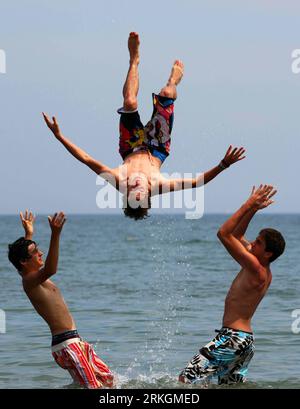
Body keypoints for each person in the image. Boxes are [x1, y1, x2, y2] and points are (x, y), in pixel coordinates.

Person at [42, 32, 245, 220]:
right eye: (141, 192)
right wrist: (223, 165)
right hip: (157, 147)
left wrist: (59, 136)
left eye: (132, 190)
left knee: (130, 103)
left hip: (131, 145)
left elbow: (85, 159)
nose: (137, 186)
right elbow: (197, 182)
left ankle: (134, 60)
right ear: (148, 195)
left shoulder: (118, 180)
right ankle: (173, 80)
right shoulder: (158, 186)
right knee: (166, 94)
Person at [179, 185, 285, 385]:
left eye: (259, 243)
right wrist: (253, 209)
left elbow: (224, 234)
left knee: (185, 379)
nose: (252, 242)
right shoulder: (261, 267)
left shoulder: (255, 267)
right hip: (244, 342)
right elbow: (236, 235)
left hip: (232, 338)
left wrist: (248, 204)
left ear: (268, 254)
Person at [8, 210, 114, 389]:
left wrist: (29, 233)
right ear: (25, 262)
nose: (40, 253)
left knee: (109, 382)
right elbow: (51, 269)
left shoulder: (31, 275)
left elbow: (23, 258)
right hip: (67, 346)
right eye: (35, 252)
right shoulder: (30, 281)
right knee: (94, 388)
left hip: (75, 342)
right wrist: (55, 234)